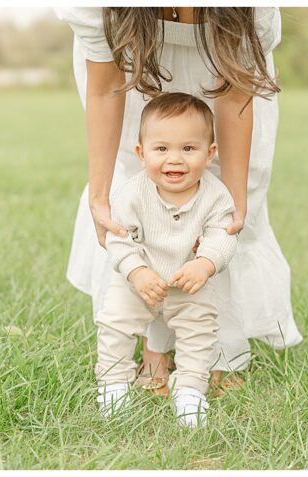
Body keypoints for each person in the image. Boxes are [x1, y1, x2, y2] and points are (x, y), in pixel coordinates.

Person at [56, 7, 303, 396]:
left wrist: (234, 198)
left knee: (231, 213)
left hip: (229, 86)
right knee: (144, 204)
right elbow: (104, 88)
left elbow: (235, 92)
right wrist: (100, 193)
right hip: (137, 79)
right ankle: (156, 351)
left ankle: (221, 352)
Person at [96, 93, 236, 427]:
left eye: (189, 149)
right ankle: (114, 384)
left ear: (210, 153)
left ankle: (190, 390)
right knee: (114, 324)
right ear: (142, 154)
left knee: (199, 331)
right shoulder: (132, 193)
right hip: (138, 280)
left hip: (188, 281)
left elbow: (223, 234)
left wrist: (205, 264)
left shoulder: (216, 194)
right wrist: (136, 271)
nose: (175, 159)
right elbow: (117, 237)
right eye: (162, 149)